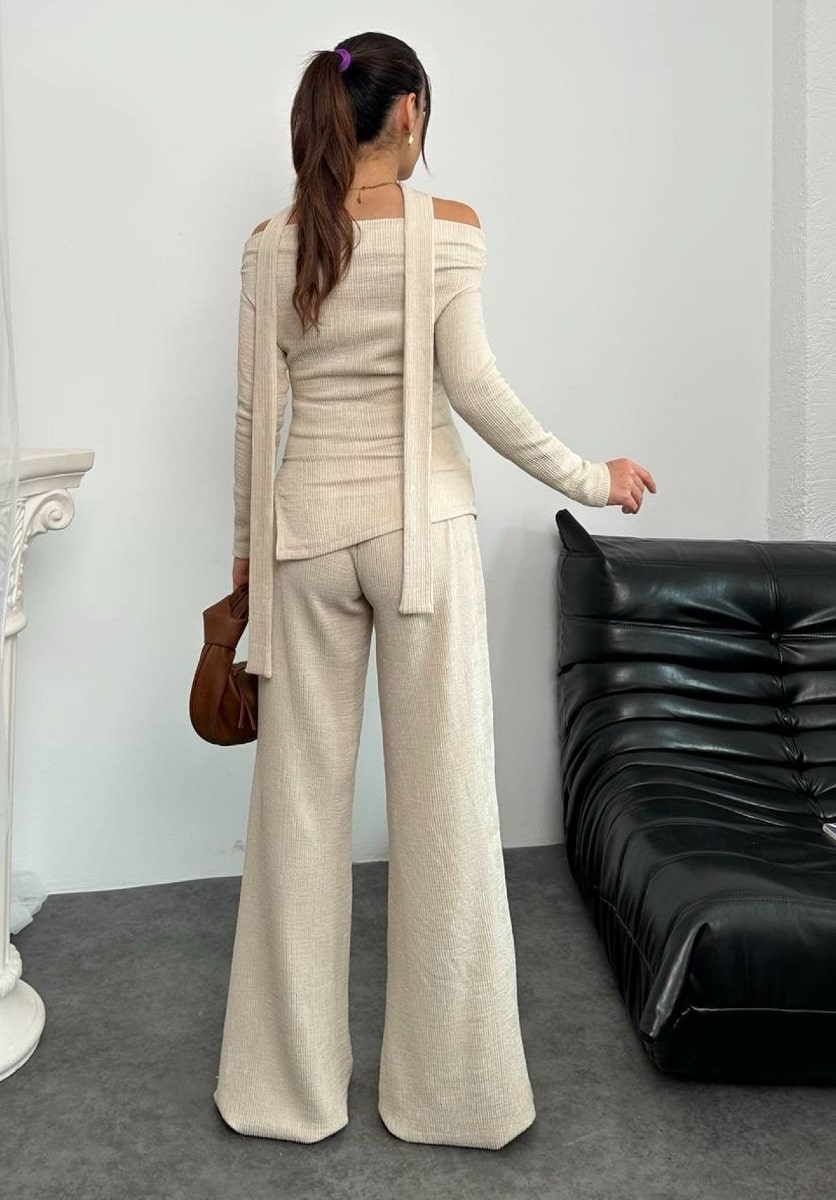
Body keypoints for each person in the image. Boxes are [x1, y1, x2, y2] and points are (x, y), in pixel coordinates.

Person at [212, 30, 656, 1151]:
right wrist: (589, 476)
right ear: (407, 111)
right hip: (422, 540)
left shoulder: (271, 244)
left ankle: (283, 1094)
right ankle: (454, 1099)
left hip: (304, 540)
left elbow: (256, 419)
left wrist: (246, 564)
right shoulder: (446, 228)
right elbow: (478, 388)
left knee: (296, 820)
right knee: (447, 814)